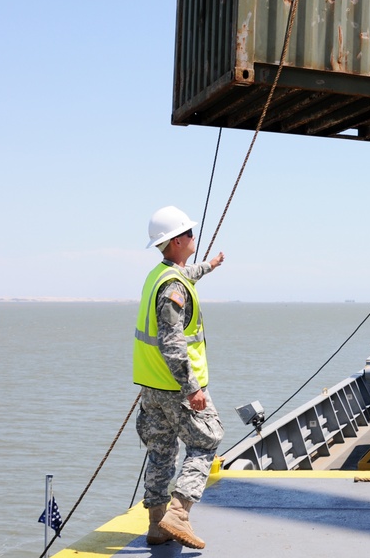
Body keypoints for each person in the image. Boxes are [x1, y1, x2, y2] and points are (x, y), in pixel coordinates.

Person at [134, 206, 226, 549]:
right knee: (206, 440)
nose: (193, 238)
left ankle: (157, 526)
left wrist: (210, 266)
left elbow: (185, 277)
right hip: (177, 386)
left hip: (152, 387)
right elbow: (173, 343)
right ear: (175, 242)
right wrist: (193, 389)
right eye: (188, 234)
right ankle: (179, 513)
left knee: (160, 451)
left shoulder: (161, 275)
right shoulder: (173, 288)